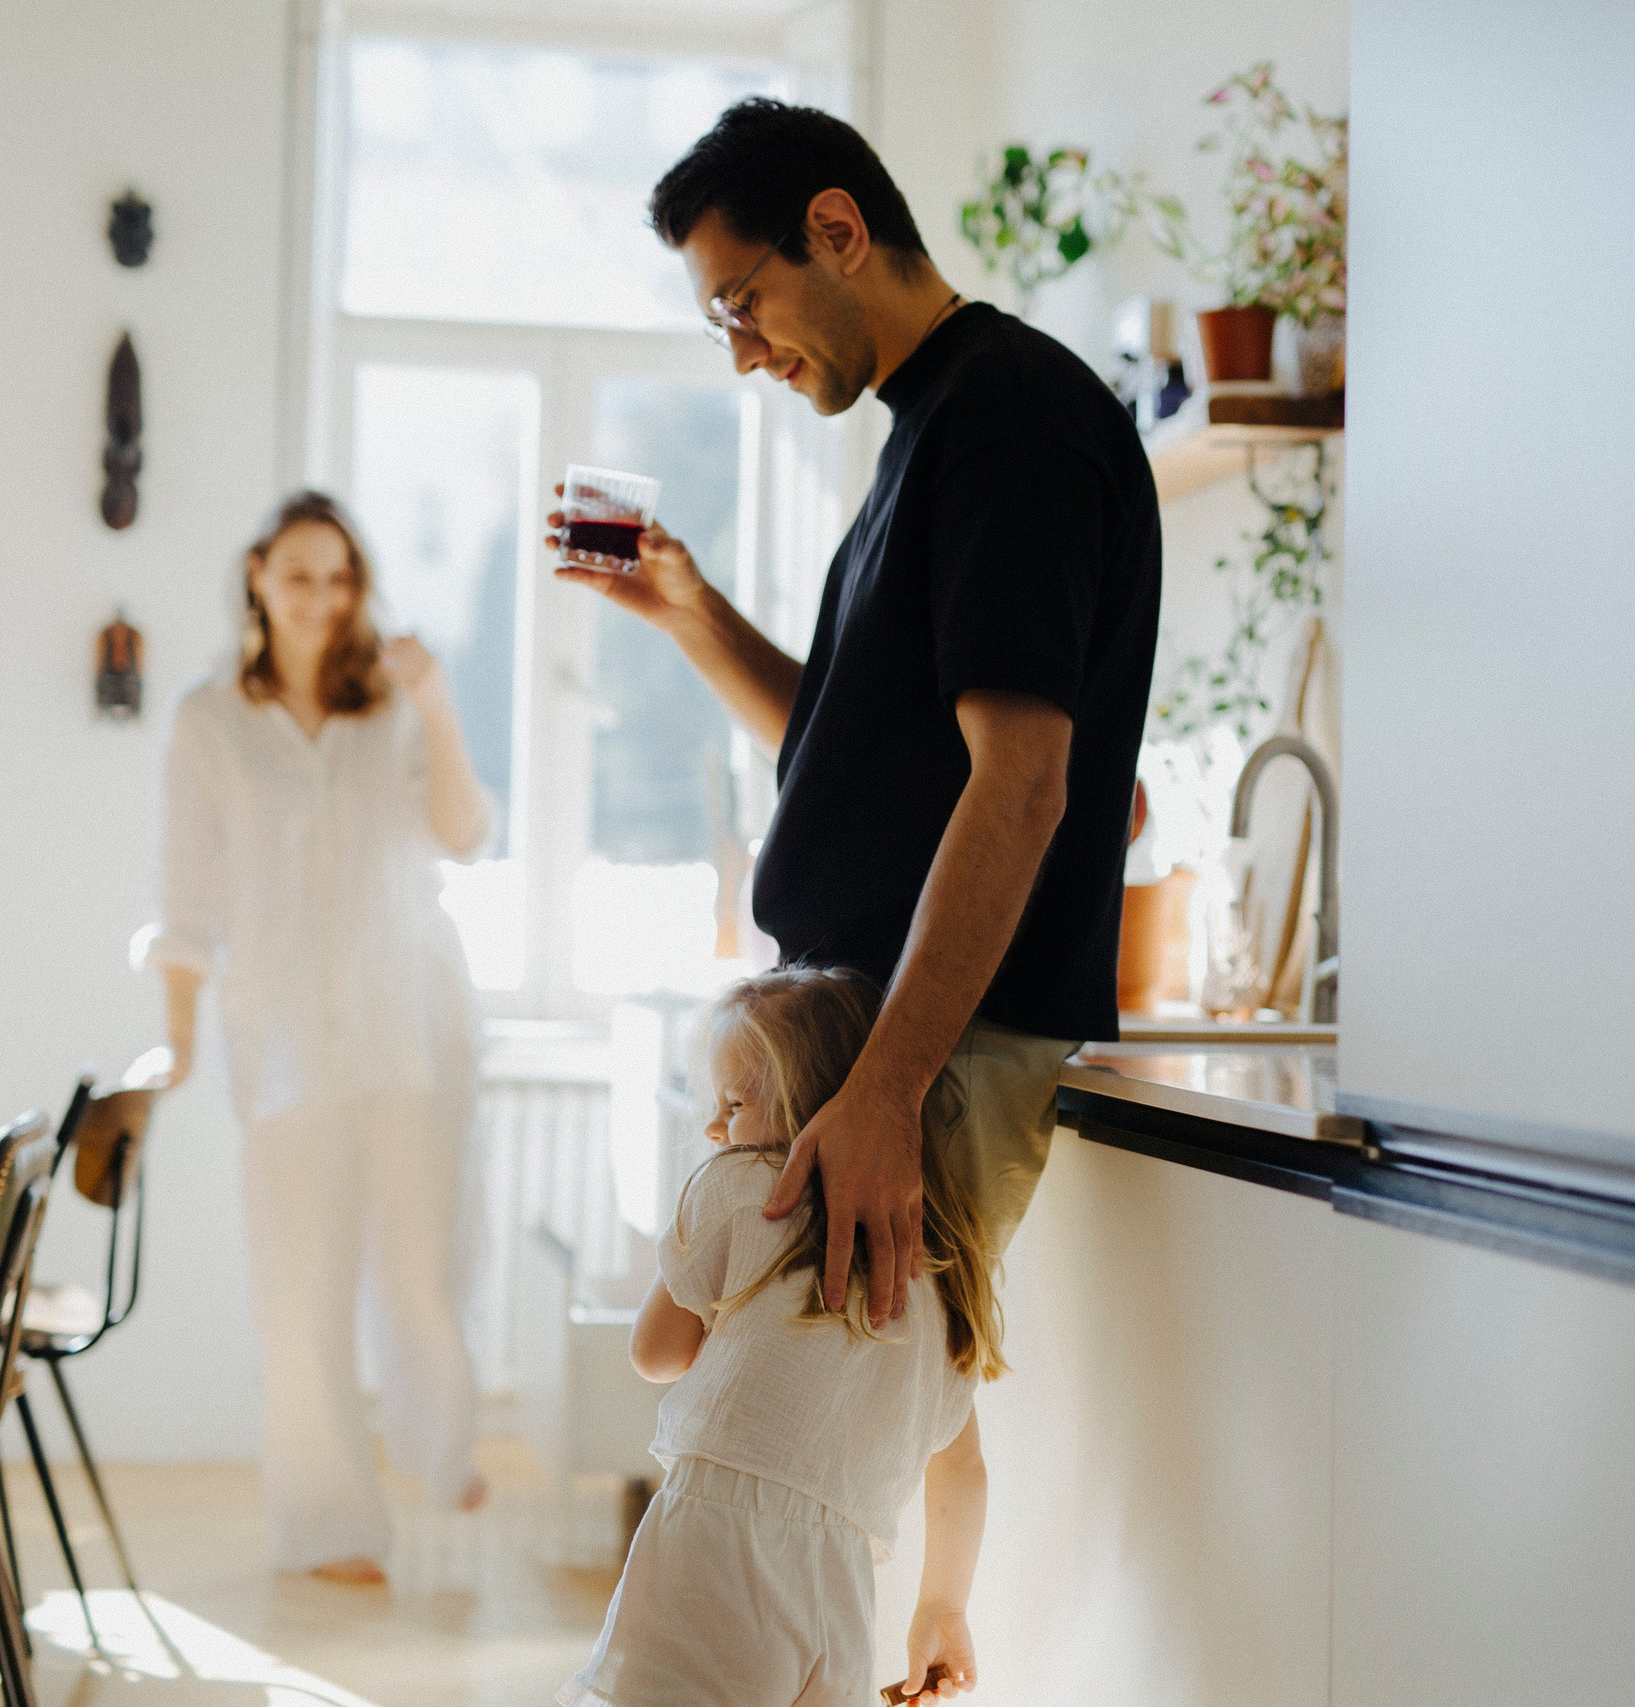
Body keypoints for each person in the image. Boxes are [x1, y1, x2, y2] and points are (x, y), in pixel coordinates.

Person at [549, 99, 1160, 1322]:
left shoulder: (1009, 421)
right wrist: (692, 615)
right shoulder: (933, 424)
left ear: (834, 229)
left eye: (738, 303)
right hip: (878, 1036)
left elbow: (1024, 782)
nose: (740, 352)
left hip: (922, 1050)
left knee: (839, 1451)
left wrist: (884, 1090)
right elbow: (853, 760)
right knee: (854, 1451)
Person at [136, 491, 493, 1584]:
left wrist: (435, 707)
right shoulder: (207, 720)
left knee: (420, 1265)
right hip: (279, 1035)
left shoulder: (391, 701)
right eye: (300, 575)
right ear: (257, 576)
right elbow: (186, 899)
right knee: (299, 1289)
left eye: (340, 578)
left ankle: (441, 1451)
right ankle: (330, 1521)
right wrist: (180, 1048)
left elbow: (465, 836)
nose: (322, 599)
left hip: (410, 1021)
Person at [561, 967, 996, 1707]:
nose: (715, 1127)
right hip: (842, 1585)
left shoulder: (740, 1188)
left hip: (717, 1551)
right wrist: (940, 1607)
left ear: (813, 1107)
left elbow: (654, 1353)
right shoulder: (939, 1278)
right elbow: (962, 1471)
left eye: (734, 1102)